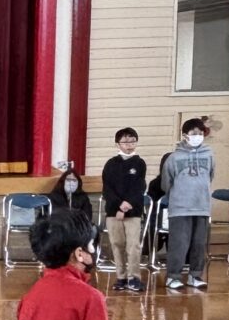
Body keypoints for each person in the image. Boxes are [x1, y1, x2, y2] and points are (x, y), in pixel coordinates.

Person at [160, 118, 216, 290]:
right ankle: (173, 276)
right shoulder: (174, 158)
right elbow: (166, 183)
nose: (197, 136)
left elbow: (211, 176)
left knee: (199, 243)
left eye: (200, 133)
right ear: (185, 136)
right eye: (193, 134)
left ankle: (195, 275)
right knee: (180, 243)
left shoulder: (209, 154)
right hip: (180, 208)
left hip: (202, 206)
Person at [100, 129, 149, 293]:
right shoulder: (111, 164)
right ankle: (121, 277)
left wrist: (127, 205)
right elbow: (107, 188)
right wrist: (119, 206)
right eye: (125, 142)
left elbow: (139, 187)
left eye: (132, 141)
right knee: (117, 244)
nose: (129, 145)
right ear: (118, 144)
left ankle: (134, 277)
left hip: (133, 212)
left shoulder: (139, 163)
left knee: (133, 245)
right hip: (114, 212)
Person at [47, 167, 95, 233]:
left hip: (78, 228)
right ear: (63, 181)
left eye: (74, 180)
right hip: (58, 228)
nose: (71, 182)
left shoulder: (83, 197)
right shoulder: (54, 196)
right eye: (68, 180)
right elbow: (53, 215)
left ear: (78, 183)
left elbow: (87, 216)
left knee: (94, 230)